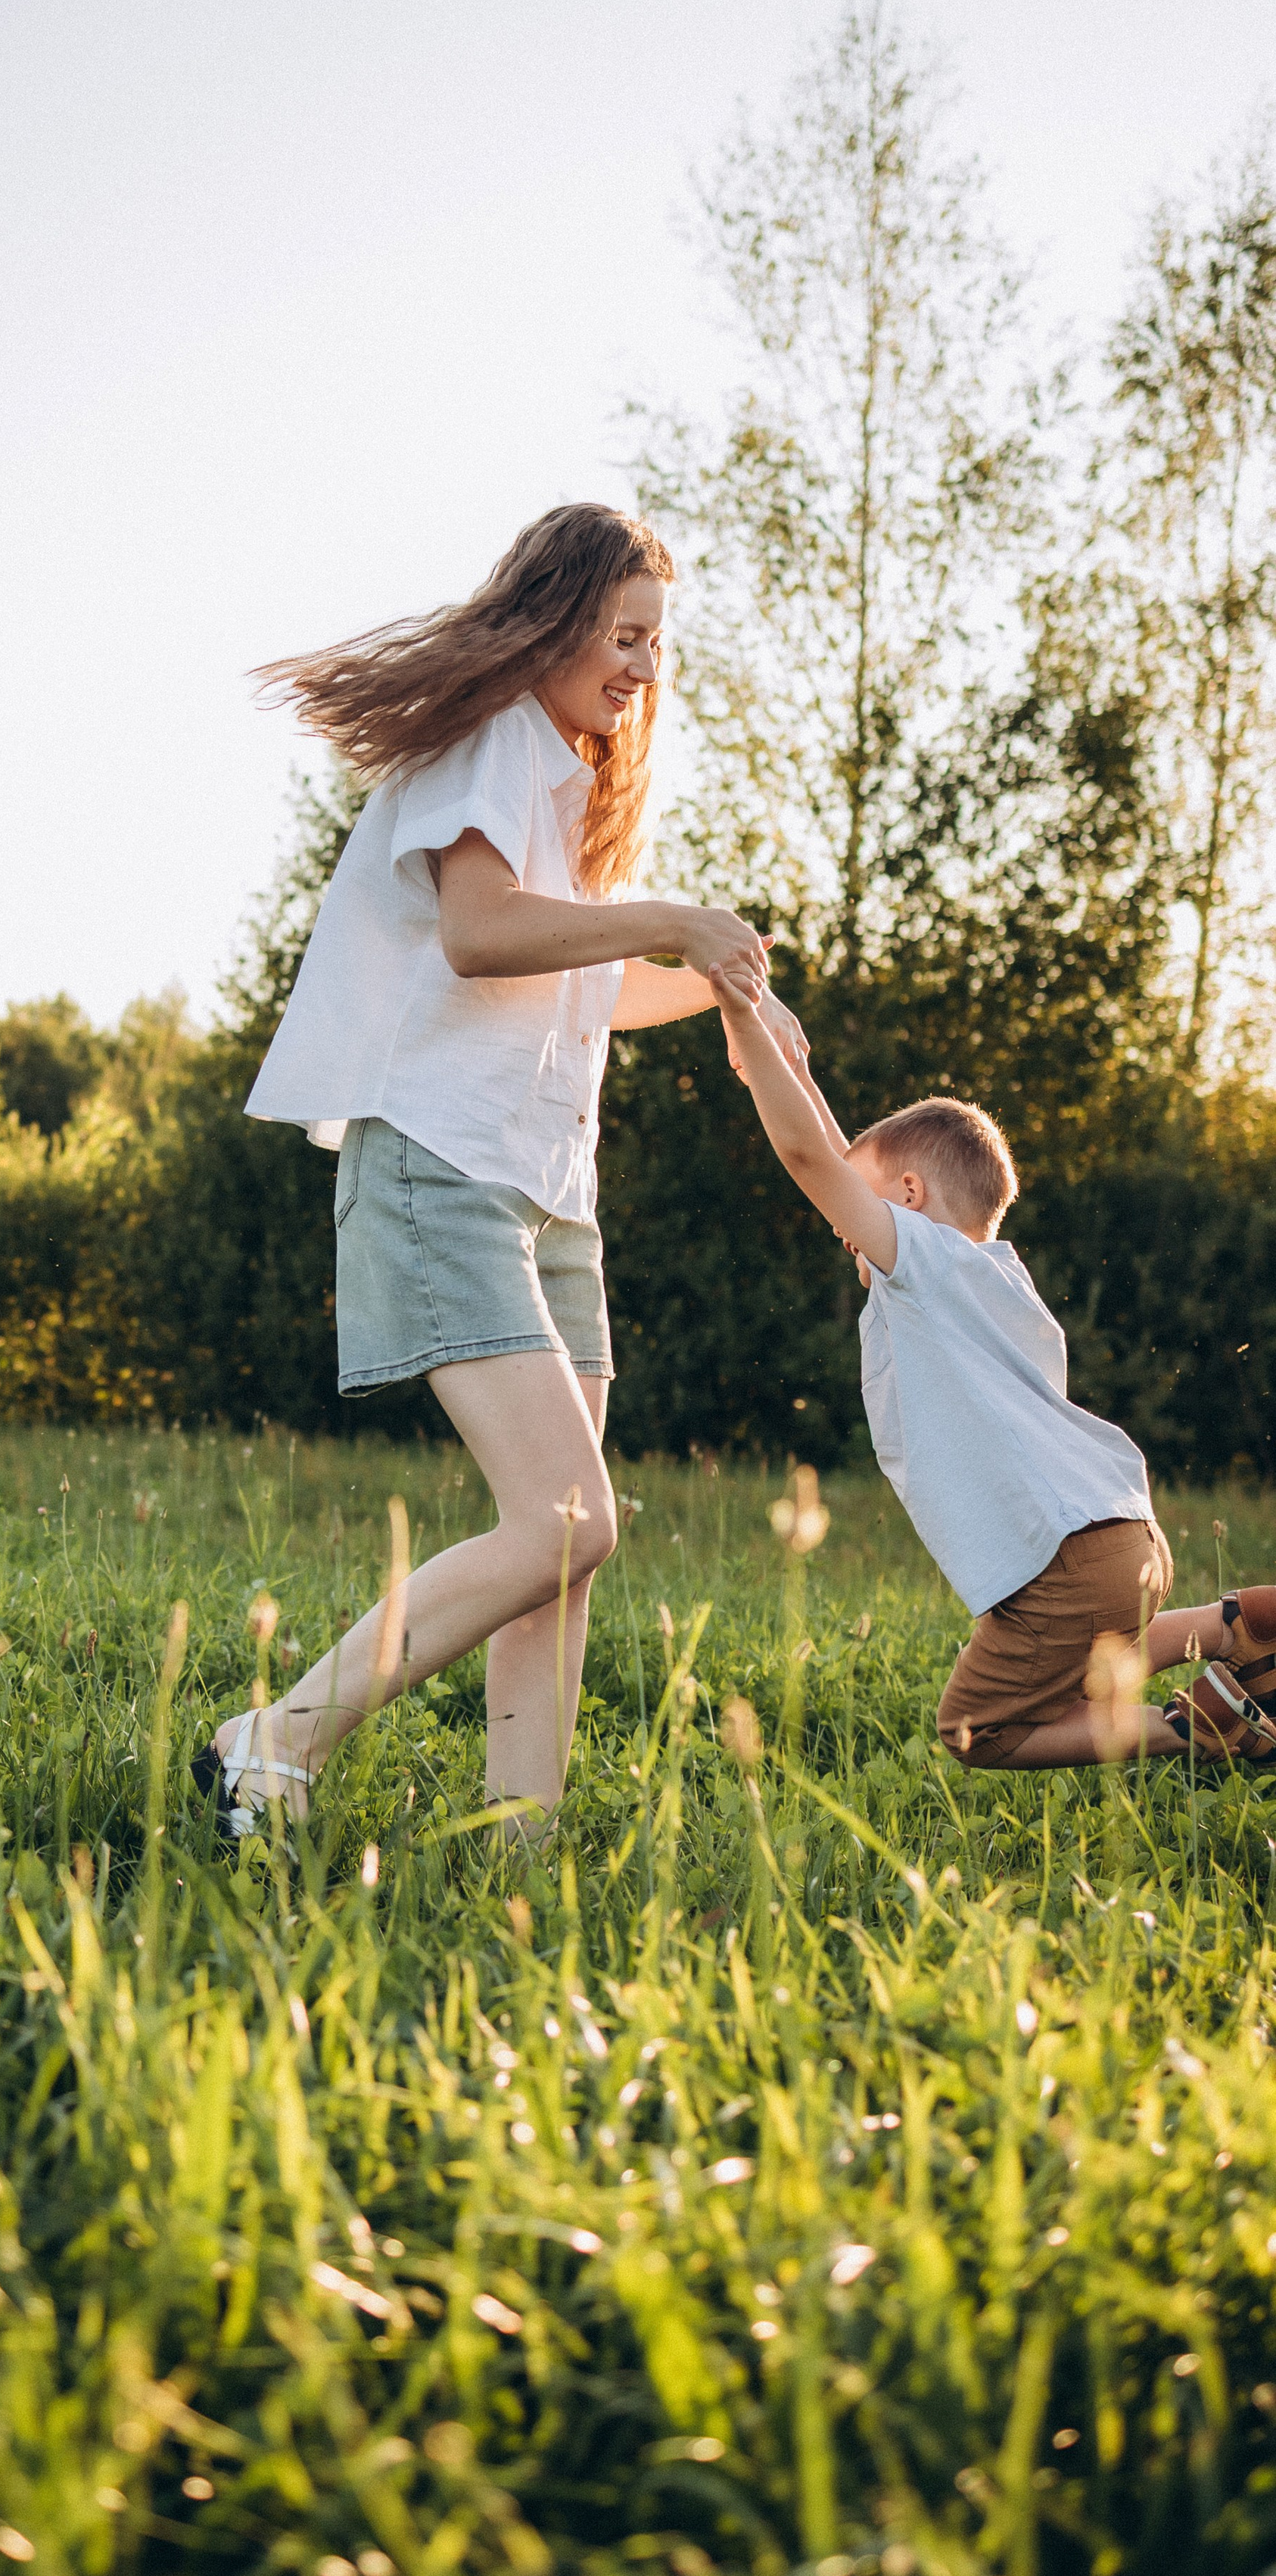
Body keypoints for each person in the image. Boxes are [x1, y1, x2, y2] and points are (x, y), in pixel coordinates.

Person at [193, 502, 808, 1839]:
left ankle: (515, 1843)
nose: (644, 666)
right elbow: (481, 935)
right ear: (558, 615)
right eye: (626, 634)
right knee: (566, 1518)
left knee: (568, 1547)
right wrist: (674, 914)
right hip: (443, 1162)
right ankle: (275, 1738)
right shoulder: (486, 745)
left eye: (657, 643)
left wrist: (719, 987)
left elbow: (580, 982)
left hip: (548, 1192)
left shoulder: (565, 782)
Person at [705, 959, 1276, 1769]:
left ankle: (1196, 1729)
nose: (843, 1228)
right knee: (1082, 1674)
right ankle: (1229, 1629)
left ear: (905, 1197)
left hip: (1058, 1561)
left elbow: (809, 1158)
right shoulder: (989, 1275)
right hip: (1122, 1535)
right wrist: (775, 1050)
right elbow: (839, 1154)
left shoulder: (919, 1267)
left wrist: (738, 1011)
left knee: (981, 1730)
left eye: (859, 1205)